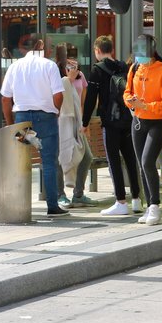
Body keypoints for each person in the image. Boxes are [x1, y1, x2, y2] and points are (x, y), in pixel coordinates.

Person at [0, 34, 68, 216]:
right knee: (49, 162)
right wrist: (55, 110)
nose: (50, 51)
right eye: (49, 47)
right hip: (46, 118)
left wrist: (10, 124)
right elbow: (59, 95)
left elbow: (6, 98)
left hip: (22, 119)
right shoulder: (49, 66)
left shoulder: (15, 66)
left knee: (20, 161)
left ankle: (17, 205)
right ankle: (52, 206)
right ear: (40, 45)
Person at [83, 35, 143, 216]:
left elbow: (91, 99)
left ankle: (120, 201)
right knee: (131, 159)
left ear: (97, 51)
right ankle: (137, 200)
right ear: (112, 50)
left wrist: (84, 122)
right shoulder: (124, 66)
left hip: (110, 122)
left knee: (114, 161)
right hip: (127, 119)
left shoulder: (97, 70)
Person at [126, 35, 162, 226]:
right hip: (138, 121)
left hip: (157, 122)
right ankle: (148, 206)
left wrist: (146, 106)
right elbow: (127, 91)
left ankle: (155, 205)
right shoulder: (135, 68)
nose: (139, 54)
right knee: (142, 164)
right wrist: (130, 102)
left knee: (147, 161)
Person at [54, 46, 95, 206]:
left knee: (87, 156)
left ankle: (78, 194)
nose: (71, 62)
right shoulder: (56, 75)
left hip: (77, 120)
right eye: (67, 58)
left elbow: (83, 100)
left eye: (72, 57)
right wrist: (68, 79)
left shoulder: (80, 76)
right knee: (59, 157)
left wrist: (85, 123)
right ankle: (60, 194)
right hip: (61, 121)